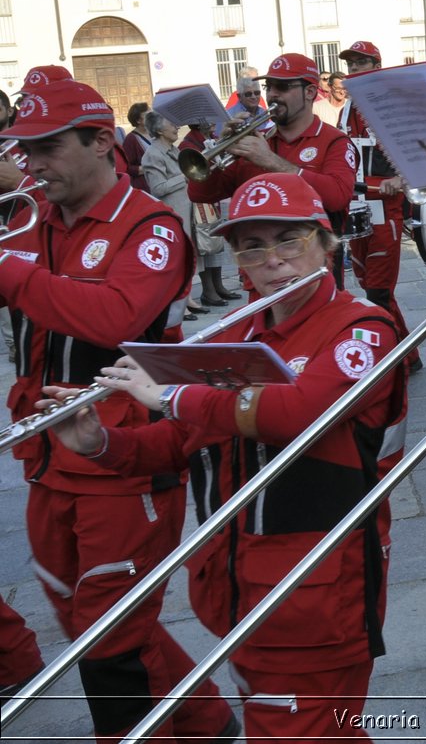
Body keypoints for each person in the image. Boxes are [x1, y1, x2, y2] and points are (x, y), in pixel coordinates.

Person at [47, 173, 408, 741]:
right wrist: (103, 443)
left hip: (314, 591)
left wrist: (171, 393)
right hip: (238, 585)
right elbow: (188, 443)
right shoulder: (239, 331)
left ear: (326, 242)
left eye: (290, 240)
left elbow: (299, 412)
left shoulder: (363, 328)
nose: (273, 260)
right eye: (253, 245)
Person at [0, 80, 236, 743]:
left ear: (102, 141)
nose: (32, 163)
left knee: (110, 640)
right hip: (46, 450)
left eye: (47, 147)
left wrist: (11, 273)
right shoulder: (33, 219)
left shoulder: (150, 225)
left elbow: (116, 316)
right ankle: (203, 712)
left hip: (125, 455)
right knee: (83, 617)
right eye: (24, 148)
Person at [188, 53, 356, 286]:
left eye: (283, 87)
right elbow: (200, 194)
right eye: (270, 86)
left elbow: (337, 197)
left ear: (310, 92)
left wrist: (272, 161)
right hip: (260, 279)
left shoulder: (333, 141)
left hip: (314, 276)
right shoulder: (258, 143)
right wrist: (218, 148)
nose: (272, 94)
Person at [335, 42, 411, 347]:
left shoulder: (393, 107)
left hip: (384, 210)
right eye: (351, 65)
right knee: (368, 284)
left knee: (378, 292)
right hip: (356, 208)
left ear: (376, 67)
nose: (354, 70)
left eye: (360, 63)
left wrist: (400, 179)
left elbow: (413, 153)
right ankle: (408, 354)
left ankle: (388, 359)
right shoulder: (345, 110)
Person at [137, 111, 210, 321]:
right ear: (159, 130)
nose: (176, 127)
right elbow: (158, 188)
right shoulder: (152, 154)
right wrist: (185, 176)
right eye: (171, 124)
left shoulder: (174, 150)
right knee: (177, 258)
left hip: (186, 209)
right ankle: (178, 302)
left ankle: (187, 298)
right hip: (173, 213)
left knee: (188, 256)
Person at [120, 102, 153, 192]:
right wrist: (145, 168)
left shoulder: (155, 132)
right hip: (147, 187)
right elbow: (126, 167)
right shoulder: (131, 139)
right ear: (139, 120)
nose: (152, 116)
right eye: (148, 114)